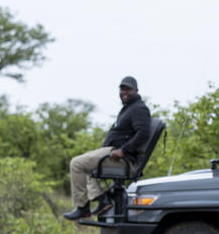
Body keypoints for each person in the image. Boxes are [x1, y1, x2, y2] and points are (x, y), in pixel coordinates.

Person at [63, 76, 152, 221]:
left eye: (128, 89)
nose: (124, 92)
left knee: (76, 164)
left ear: (136, 90)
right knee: (85, 164)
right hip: (114, 153)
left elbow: (143, 133)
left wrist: (123, 150)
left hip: (124, 158)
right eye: (122, 89)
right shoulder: (128, 108)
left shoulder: (139, 109)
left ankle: (82, 208)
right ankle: (102, 200)